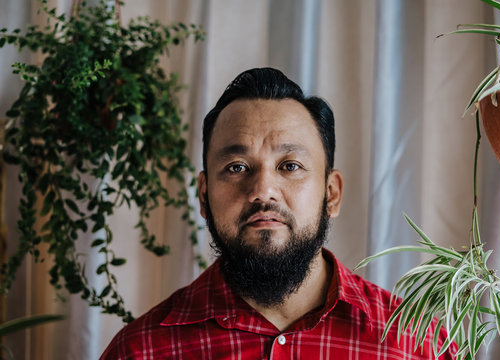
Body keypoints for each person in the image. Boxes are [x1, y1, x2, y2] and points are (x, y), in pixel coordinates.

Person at [100, 67, 456, 359]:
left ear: (331, 194)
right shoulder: (139, 351)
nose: (262, 191)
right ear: (204, 195)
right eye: (237, 167)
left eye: (290, 165)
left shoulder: (420, 346)